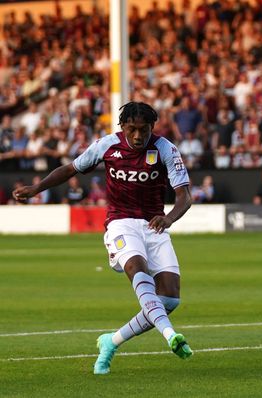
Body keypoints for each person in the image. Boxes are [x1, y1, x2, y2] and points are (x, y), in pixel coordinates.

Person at [13, 102, 194, 373]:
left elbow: (185, 197)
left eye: (143, 130)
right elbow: (71, 169)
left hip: (154, 226)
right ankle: (170, 335)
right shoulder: (107, 145)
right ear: (122, 127)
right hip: (120, 224)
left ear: (151, 128)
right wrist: (37, 188)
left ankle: (111, 341)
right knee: (137, 268)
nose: (137, 136)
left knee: (169, 300)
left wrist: (168, 218)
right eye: (132, 129)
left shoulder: (166, 149)